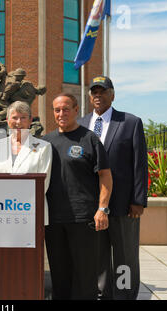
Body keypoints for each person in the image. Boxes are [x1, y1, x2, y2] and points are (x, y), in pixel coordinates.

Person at [78, 76, 148, 300]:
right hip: (91, 205)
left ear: (113, 95)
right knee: (98, 254)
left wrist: (138, 200)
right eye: (94, 92)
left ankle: (124, 294)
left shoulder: (130, 122)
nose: (98, 95)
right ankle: (103, 293)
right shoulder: (80, 124)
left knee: (124, 254)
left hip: (123, 204)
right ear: (90, 97)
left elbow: (139, 164)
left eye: (103, 91)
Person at [42, 93, 112, 300]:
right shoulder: (46, 142)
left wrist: (102, 209)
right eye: (57, 110)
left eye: (65, 109)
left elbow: (105, 176)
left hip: (83, 218)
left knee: (85, 275)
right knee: (59, 273)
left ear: (75, 110)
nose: (61, 113)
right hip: (53, 219)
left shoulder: (89, 139)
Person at [0, 100, 52, 224]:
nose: (18, 122)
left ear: (30, 120)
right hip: (1, 211)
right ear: (7, 120)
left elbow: (43, 184)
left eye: (23, 118)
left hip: (31, 211)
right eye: (15, 117)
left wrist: (17, 204)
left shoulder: (44, 147)